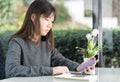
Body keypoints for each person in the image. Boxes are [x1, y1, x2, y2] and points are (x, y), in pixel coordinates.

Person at [5, 0, 97, 78]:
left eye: (52, 21)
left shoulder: (46, 44)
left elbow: (61, 60)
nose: (50, 25)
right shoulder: (16, 43)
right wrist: (51, 71)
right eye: (46, 19)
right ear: (33, 17)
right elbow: (12, 70)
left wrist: (79, 67)